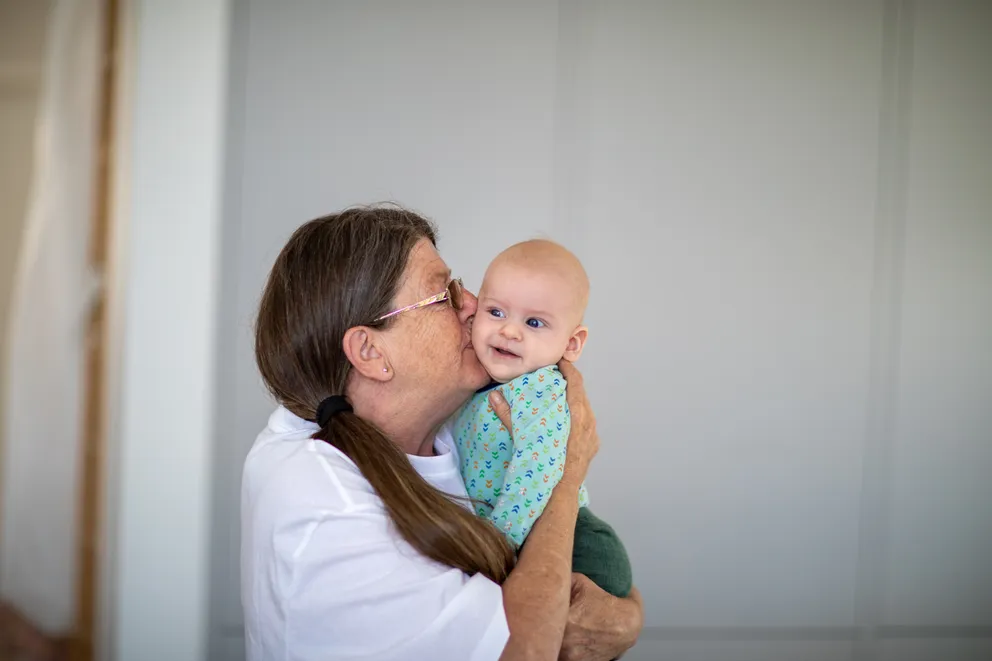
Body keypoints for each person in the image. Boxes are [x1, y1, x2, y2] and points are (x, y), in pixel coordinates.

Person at [242, 205, 643, 661]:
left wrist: (628, 618)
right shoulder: (323, 502)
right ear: (370, 351)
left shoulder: (445, 425)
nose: (473, 304)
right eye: (444, 294)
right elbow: (525, 647)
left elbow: (588, 580)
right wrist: (568, 474)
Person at [454, 239, 633, 598]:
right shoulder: (481, 383)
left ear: (571, 344)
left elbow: (537, 469)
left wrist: (498, 542)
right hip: (519, 533)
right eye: (496, 312)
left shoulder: (541, 388)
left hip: (575, 544)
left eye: (534, 322)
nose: (509, 331)